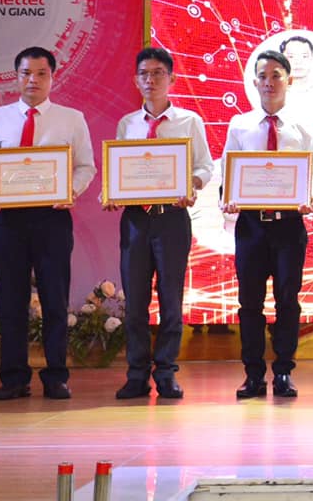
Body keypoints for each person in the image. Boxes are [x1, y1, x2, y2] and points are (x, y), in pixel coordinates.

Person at [0, 46, 96, 401]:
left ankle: (56, 376)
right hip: (7, 222)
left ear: (52, 76)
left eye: (41, 73)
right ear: (16, 76)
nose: (33, 80)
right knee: (11, 302)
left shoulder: (71, 119)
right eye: (26, 73)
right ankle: (14, 378)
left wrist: (71, 191)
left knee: (54, 301)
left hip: (52, 219)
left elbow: (86, 166)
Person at [108, 47, 214, 400]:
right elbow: (120, 169)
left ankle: (166, 372)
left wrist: (192, 184)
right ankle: (137, 374)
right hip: (136, 220)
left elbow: (204, 166)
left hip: (172, 218)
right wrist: (113, 192)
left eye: (157, 73)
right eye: (144, 73)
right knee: (135, 301)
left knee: (171, 298)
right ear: (136, 80)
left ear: (172, 78)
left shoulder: (189, 121)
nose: (150, 80)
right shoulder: (127, 124)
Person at [223, 50, 313, 398]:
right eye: (263, 76)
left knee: (287, 300)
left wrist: (308, 194)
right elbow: (228, 169)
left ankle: (283, 372)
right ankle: (253, 374)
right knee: (249, 303)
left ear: (289, 80)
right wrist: (228, 196)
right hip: (251, 226)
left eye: (276, 75)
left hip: (289, 227)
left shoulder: (303, 126)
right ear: (254, 82)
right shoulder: (240, 125)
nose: (269, 82)